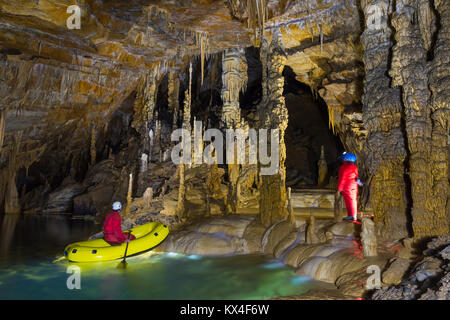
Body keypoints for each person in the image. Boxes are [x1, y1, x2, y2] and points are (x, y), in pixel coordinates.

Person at [337, 152, 363, 222]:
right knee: (353, 200)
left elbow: (343, 179)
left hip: (347, 186)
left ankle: (351, 216)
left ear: (345, 159)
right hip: (354, 186)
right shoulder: (355, 167)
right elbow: (356, 177)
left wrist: (339, 189)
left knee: (348, 201)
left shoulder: (344, 167)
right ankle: (352, 215)